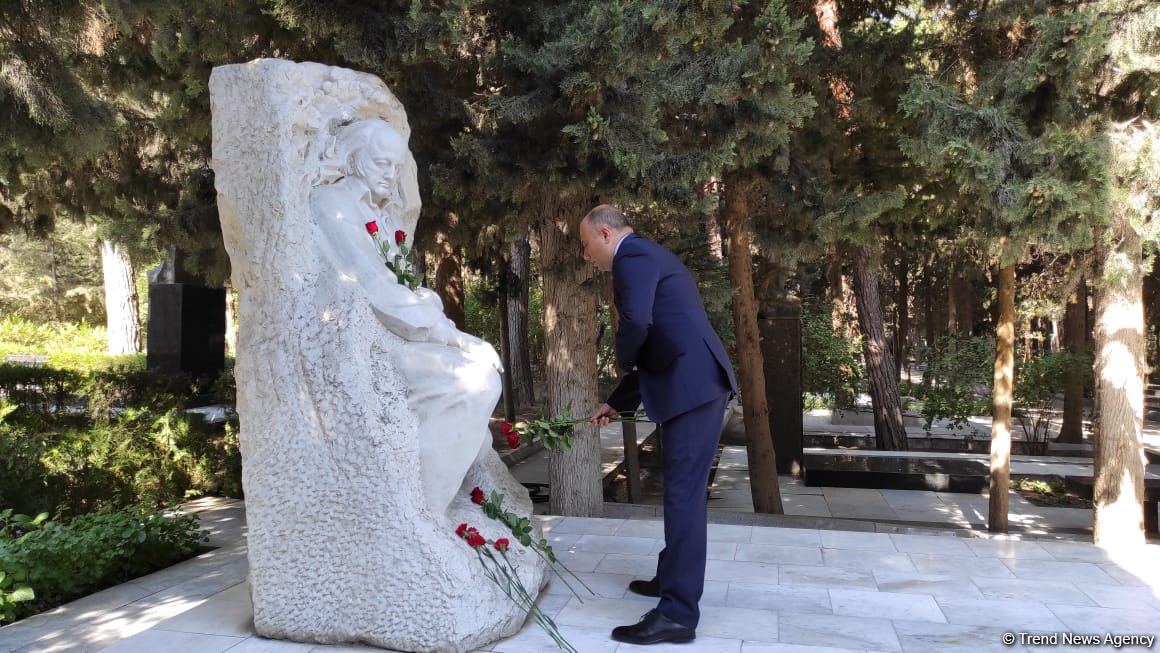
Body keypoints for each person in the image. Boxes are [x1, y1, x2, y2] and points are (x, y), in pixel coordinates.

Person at [311, 118, 502, 515]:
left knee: (479, 398)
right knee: (475, 383)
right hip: (359, 341)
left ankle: (426, 506)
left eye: (395, 167)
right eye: (382, 163)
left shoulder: (379, 218)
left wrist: (440, 323)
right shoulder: (332, 204)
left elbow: (404, 287)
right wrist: (454, 338)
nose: (390, 174)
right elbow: (375, 288)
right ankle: (421, 512)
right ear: (355, 159)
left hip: (395, 333)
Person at [581, 204, 737, 646]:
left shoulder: (632, 257)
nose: (586, 254)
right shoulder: (646, 256)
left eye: (586, 244)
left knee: (683, 497)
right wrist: (616, 402)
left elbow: (636, 325)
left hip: (694, 388)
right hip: (696, 384)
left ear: (605, 234)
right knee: (681, 492)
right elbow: (661, 337)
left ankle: (678, 614)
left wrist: (621, 360)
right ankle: (672, 580)